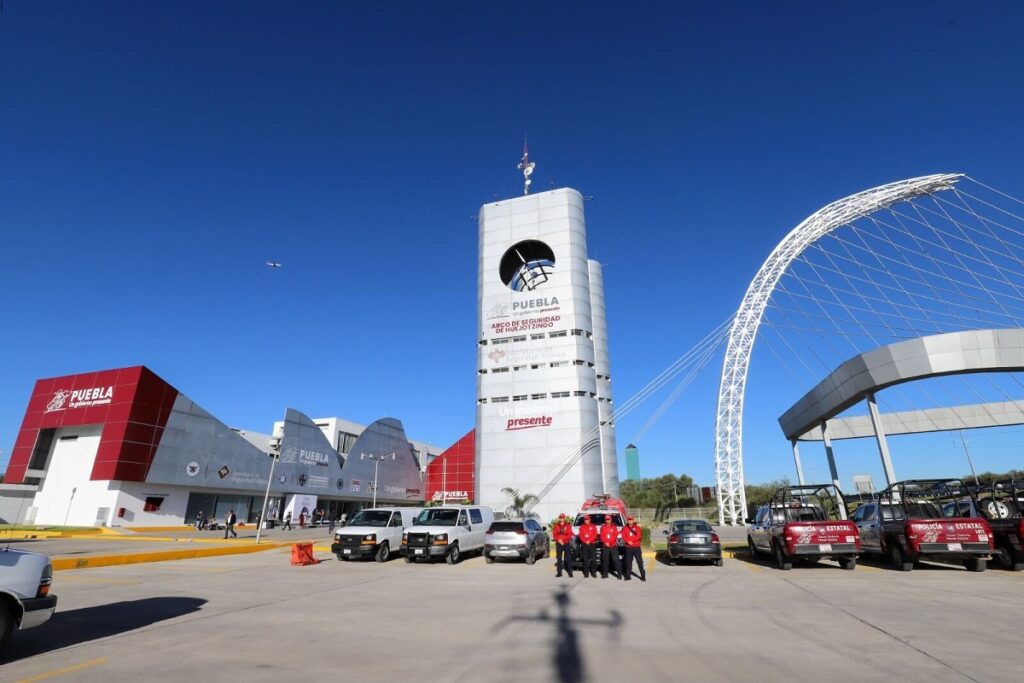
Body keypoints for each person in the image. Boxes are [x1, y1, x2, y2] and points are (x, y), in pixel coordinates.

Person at [621, 516, 646, 582]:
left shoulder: (637, 528)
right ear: (627, 520)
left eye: (631, 520)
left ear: (633, 520)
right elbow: (623, 536)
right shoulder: (625, 528)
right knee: (628, 562)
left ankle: (643, 576)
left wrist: (632, 541)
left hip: (636, 547)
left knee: (639, 562)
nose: (630, 521)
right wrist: (628, 541)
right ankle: (627, 576)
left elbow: (639, 536)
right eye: (629, 520)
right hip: (628, 548)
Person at [599, 515, 622, 580]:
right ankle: (605, 574)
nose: (607, 520)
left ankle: (619, 574)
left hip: (613, 546)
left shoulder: (614, 527)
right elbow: (602, 535)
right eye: (606, 519)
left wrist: (609, 542)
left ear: (611, 520)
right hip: (605, 546)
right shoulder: (603, 527)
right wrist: (605, 542)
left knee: (616, 560)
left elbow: (615, 536)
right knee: (605, 561)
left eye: (609, 519)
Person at [552, 513, 574, 578]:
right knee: (559, 559)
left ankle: (570, 573)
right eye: (560, 518)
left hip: (566, 543)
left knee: (568, 558)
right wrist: (559, 540)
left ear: (564, 518)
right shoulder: (556, 526)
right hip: (559, 543)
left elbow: (569, 535)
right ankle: (559, 573)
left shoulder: (568, 525)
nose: (561, 519)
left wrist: (562, 540)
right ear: (559, 518)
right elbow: (554, 535)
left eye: (562, 518)